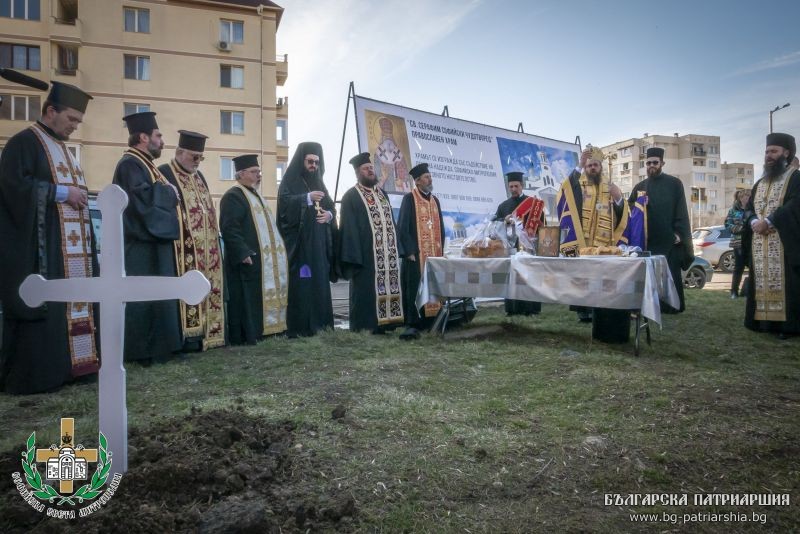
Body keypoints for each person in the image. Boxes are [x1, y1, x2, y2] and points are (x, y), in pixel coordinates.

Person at [0, 82, 99, 394]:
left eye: (78, 121)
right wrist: (61, 192)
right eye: (71, 118)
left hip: (70, 251)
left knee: (71, 304)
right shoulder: (23, 142)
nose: (74, 125)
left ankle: (74, 366)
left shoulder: (64, 149)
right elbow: (11, 188)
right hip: (42, 251)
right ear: (50, 111)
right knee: (49, 306)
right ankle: (42, 374)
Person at [113, 111, 182, 363]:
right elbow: (141, 201)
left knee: (155, 296)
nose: (162, 142)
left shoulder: (145, 164)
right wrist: (169, 193)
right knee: (143, 300)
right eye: (158, 136)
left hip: (152, 243)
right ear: (143, 137)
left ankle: (158, 349)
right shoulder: (130, 164)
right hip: (140, 246)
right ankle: (143, 352)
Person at [158, 130, 225, 350]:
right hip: (182, 251)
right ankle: (189, 339)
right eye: (194, 157)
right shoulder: (164, 174)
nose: (197, 162)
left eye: (200, 158)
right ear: (179, 152)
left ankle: (208, 335)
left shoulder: (199, 176)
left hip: (207, 251)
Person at [557, 145, 630, 341]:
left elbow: (624, 214)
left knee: (601, 279)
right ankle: (583, 310)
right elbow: (566, 193)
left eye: (595, 165)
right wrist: (579, 166)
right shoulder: (578, 184)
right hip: (583, 242)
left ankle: (600, 309)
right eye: (589, 165)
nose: (592, 168)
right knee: (583, 278)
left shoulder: (610, 186)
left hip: (604, 245)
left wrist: (619, 199)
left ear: (601, 167)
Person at [219, 154, 288, 344]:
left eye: (259, 171)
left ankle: (265, 331)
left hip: (261, 261)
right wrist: (242, 252)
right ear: (241, 173)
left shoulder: (256, 196)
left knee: (256, 297)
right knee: (246, 299)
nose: (259, 175)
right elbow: (229, 227)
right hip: (246, 260)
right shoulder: (233, 195)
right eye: (254, 172)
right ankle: (247, 335)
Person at [742, 133, 800, 339]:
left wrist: (769, 222)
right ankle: (762, 322)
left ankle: (787, 327)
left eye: (773, 151)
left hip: (784, 243)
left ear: (786, 152)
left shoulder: (795, 178)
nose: (769, 155)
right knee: (761, 281)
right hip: (760, 243)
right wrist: (753, 222)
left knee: (788, 285)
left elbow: (795, 206)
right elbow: (748, 208)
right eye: (767, 151)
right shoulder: (760, 182)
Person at [276, 142, 337, 338]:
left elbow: (332, 209)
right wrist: (307, 198)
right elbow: (284, 208)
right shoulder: (290, 181)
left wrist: (329, 215)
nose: (314, 166)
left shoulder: (320, 182)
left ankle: (322, 325)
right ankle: (301, 328)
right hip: (300, 247)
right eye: (310, 161)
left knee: (319, 283)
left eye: (317, 162)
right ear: (302, 161)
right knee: (303, 284)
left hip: (319, 247)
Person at [339, 152, 404, 333]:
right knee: (366, 292)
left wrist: (397, 246)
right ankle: (366, 326)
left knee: (389, 286)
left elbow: (391, 221)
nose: (370, 171)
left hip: (387, 254)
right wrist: (354, 257)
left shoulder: (382, 194)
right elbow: (348, 229)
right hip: (366, 256)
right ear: (358, 173)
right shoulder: (351, 196)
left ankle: (389, 323)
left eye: (371, 168)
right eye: (366, 169)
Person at [628, 147, 693, 313]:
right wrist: (639, 204)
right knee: (648, 275)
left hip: (668, 239)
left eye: (655, 163)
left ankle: (671, 306)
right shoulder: (640, 186)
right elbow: (630, 211)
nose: (651, 166)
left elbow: (681, 210)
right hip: (647, 240)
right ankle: (649, 305)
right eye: (648, 163)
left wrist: (679, 233)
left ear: (662, 163)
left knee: (669, 274)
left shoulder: (674, 184)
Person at [396, 163, 445, 340]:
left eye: (430, 176)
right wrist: (409, 251)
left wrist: (441, 250)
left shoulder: (435, 201)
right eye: (426, 177)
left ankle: (431, 320)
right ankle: (413, 323)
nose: (430, 179)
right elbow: (402, 227)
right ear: (417, 181)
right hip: (415, 255)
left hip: (433, 254)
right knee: (415, 288)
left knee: (433, 286)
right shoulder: (409, 199)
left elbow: (441, 226)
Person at [494, 171, 541, 315]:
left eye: (516, 186)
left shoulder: (533, 204)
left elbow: (540, 223)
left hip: (529, 247)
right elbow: (494, 224)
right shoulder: (503, 206)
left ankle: (531, 309)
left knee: (529, 278)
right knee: (512, 278)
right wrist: (504, 221)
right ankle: (512, 309)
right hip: (511, 248)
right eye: (511, 187)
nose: (513, 189)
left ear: (522, 186)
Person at [724, 189, 752, 299]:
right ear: (740, 198)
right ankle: (734, 292)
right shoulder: (733, 211)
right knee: (738, 268)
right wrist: (740, 229)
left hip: (751, 243)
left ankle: (748, 291)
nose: (748, 199)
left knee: (753, 268)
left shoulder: (753, 210)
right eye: (746, 197)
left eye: (749, 197)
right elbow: (727, 225)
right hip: (738, 243)